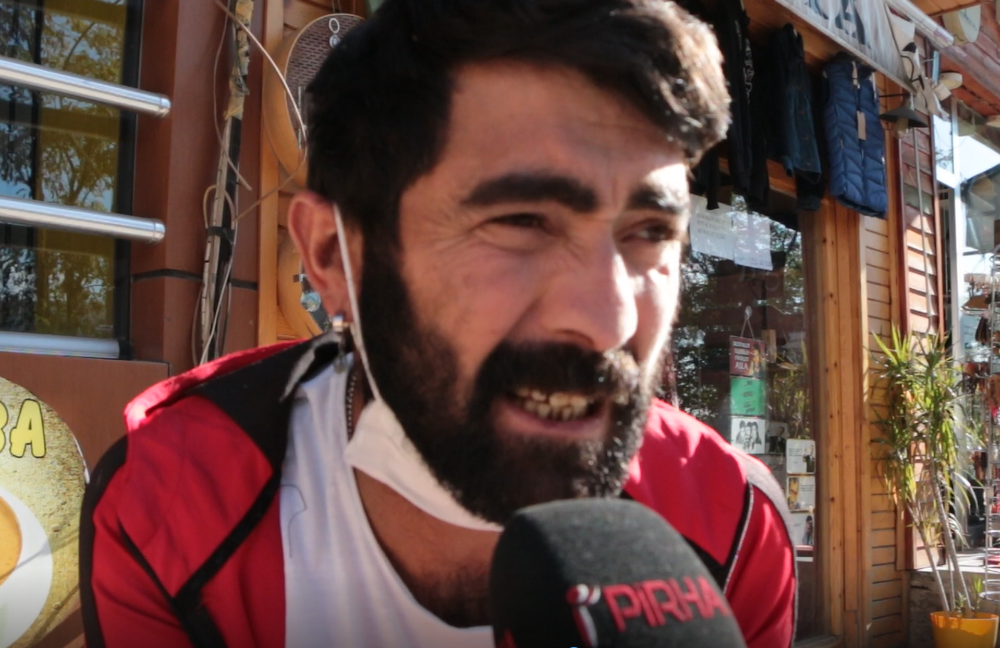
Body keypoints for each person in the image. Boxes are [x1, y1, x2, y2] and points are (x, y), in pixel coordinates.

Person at [80, 1, 797, 647]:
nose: (609, 320)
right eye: (521, 222)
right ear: (332, 256)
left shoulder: (731, 523)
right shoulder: (172, 507)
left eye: (649, 233)